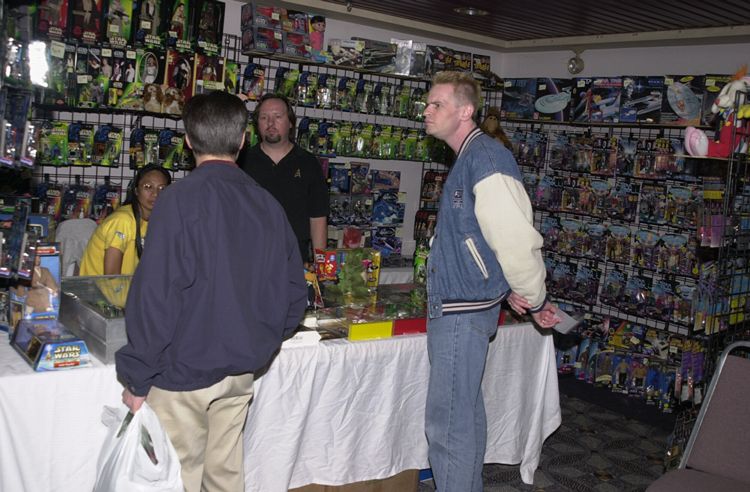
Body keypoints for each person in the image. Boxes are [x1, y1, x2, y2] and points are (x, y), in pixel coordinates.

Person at [116, 91, 307, 492]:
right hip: (239, 372)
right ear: (243, 140)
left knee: (177, 479)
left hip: (182, 373)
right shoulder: (267, 204)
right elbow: (295, 292)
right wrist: (264, 336)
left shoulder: (177, 201)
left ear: (188, 140)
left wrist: (137, 376)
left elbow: (157, 295)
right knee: (224, 478)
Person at [422, 71, 561, 492]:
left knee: (449, 423)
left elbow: (515, 238)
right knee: (463, 414)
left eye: (437, 104)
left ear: (465, 111)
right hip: (464, 305)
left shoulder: (485, 158)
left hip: (462, 311)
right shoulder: (472, 156)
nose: (427, 111)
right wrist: (509, 291)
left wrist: (535, 297)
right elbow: (482, 238)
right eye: (427, 104)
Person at [237, 93, 328, 262]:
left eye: (277, 116)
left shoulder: (309, 163)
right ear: (257, 124)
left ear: (291, 122)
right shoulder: (242, 162)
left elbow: (318, 218)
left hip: (294, 259)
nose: (270, 123)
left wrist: (321, 265)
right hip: (249, 259)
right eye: (264, 117)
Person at [79, 164, 171, 276]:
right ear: (136, 190)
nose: (155, 194)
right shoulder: (122, 220)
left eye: (162, 188)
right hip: (100, 287)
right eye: (148, 187)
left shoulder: (157, 222)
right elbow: (112, 277)